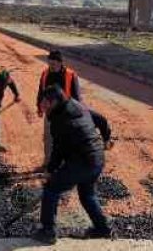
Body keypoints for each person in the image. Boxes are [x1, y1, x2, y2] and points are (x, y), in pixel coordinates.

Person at [34, 86, 112, 245]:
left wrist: (50, 170)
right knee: (87, 194)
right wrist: (106, 139)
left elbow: (59, 149)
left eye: (45, 102)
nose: (42, 104)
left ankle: (47, 231)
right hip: (97, 158)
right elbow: (102, 120)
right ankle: (102, 229)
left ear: (55, 101)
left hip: (83, 161)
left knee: (51, 188)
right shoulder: (77, 105)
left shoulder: (60, 120)